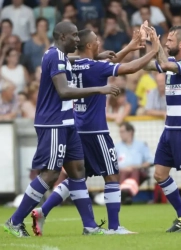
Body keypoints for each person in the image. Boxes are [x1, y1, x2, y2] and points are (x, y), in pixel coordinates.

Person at [30, 28, 160, 235]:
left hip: (78, 129)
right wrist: (153, 51)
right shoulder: (95, 67)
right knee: (111, 175)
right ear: (90, 45)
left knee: (77, 179)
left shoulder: (72, 64)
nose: (100, 42)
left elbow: (106, 62)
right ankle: (115, 227)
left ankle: (42, 211)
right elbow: (128, 68)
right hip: (96, 130)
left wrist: (130, 46)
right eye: (97, 40)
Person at [3, 21, 120, 238]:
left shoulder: (58, 55)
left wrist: (99, 55)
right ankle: (14, 221)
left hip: (67, 123)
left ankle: (90, 227)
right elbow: (64, 91)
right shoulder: (55, 56)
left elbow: (72, 60)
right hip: (54, 123)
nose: (78, 39)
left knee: (77, 171)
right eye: (74, 35)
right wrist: (99, 89)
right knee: (50, 174)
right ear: (63, 37)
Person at [140, 23, 181, 233]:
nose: (167, 42)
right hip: (170, 128)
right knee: (159, 174)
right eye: (165, 40)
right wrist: (147, 47)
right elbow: (149, 66)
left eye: (170, 40)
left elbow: (164, 65)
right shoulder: (171, 62)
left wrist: (155, 44)